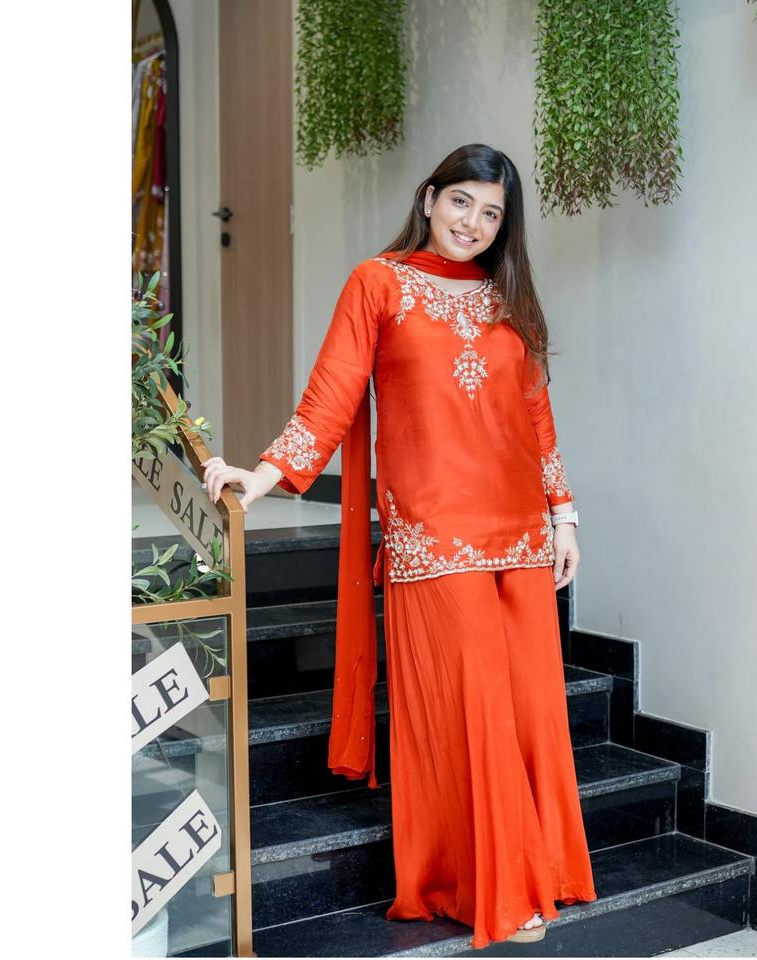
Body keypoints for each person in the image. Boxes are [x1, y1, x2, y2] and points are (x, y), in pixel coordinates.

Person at [201, 143, 597, 949]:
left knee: (530, 709)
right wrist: (264, 476)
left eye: (491, 214)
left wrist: (565, 516)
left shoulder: (507, 297)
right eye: (462, 202)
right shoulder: (377, 283)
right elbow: (330, 396)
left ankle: (541, 870)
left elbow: (536, 414)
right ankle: (491, 887)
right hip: (433, 533)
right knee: (474, 706)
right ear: (429, 198)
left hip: (521, 528)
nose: (473, 223)